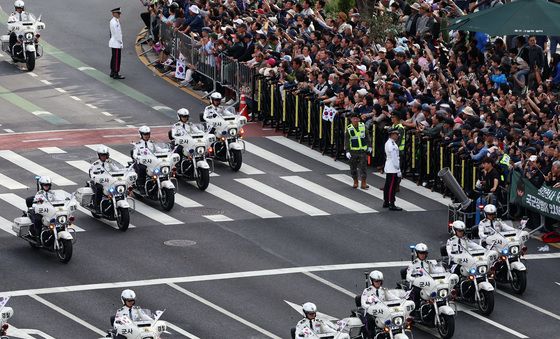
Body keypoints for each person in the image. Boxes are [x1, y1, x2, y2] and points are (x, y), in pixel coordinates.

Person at [361, 270, 396, 337]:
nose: (378, 283)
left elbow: (392, 297)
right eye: (376, 281)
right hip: (372, 313)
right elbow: (363, 302)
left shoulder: (384, 290)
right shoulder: (367, 291)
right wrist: (368, 306)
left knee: (394, 323)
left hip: (383, 312)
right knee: (370, 323)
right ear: (372, 281)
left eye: (379, 281)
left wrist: (402, 300)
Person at [89, 146, 122, 212]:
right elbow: (91, 174)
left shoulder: (109, 163)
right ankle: (97, 206)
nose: (103, 157)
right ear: (99, 155)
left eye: (105, 155)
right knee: (99, 189)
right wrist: (95, 177)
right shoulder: (95, 164)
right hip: (99, 182)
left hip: (109, 182)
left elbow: (117, 170)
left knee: (119, 188)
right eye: (102, 155)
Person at [344, 113, 371, 189]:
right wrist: (347, 151)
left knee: (363, 167)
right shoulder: (349, 128)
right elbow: (347, 141)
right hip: (353, 151)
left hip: (362, 150)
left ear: (359, 119)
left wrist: (370, 146)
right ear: (351, 119)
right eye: (353, 119)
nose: (355, 120)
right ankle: (355, 181)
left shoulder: (363, 126)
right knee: (353, 167)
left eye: (357, 119)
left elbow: (367, 137)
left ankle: (363, 182)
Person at [406, 243, 436, 309]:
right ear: (417, 253)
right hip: (418, 286)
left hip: (429, 285)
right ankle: (415, 312)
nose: (422, 255)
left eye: (424, 253)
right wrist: (414, 280)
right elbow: (408, 276)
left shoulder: (429, 263)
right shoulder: (412, 264)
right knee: (416, 293)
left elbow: (435, 272)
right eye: (421, 253)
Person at [132, 126, 157, 193]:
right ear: (141, 135)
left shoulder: (152, 143)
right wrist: (138, 157)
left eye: (148, 134)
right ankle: (141, 186)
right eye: (145, 134)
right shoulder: (138, 144)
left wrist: (167, 151)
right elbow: (134, 154)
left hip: (152, 163)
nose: (146, 136)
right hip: (141, 163)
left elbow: (159, 150)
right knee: (142, 169)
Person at [383, 128, 402, 211]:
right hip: (393, 167)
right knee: (392, 186)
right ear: (391, 134)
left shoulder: (390, 142)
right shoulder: (392, 144)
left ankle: (386, 202)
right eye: (396, 134)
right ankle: (392, 203)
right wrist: (398, 169)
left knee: (387, 185)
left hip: (389, 166)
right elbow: (394, 158)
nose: (397, 135)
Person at [109, 8, 125, 79]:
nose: (119, 15)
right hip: (116, 42)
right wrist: (120, 42)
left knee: (114, 57)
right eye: (118, 13)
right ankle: (116, 73)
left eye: (119, 13)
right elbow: (116, 33)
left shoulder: (115, 21)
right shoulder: (114, 22)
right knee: (116, 58)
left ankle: (112, 72)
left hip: (114, 42)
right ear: (114, 13)